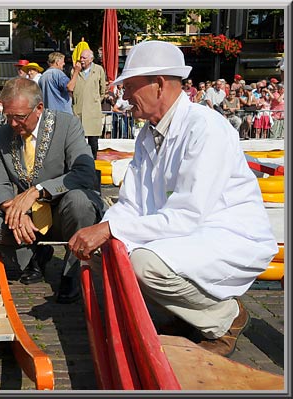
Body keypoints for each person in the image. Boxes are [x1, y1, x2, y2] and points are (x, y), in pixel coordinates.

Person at [68, 41, 277, 358]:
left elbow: (187, 215)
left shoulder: (205, 128)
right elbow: (131, 204)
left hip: (226, 234)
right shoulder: (147, 133)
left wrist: (110, 230)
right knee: (106, 252)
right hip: (185, 231)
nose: (123, 97)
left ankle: (225, 318)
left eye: (130, 87)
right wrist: (105, 229)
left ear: (159, 85)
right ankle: (182, 317)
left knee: (143, 263)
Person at [0, 78, 104, 304]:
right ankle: (30, 257)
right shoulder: (3, 134)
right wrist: (14, 211)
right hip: (29, 217)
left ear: (39, 108)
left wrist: (38, 191)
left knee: (80, 201)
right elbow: (0, 185)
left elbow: (84, 173)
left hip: (66, 211)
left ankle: (73, 273)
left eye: (20, 117)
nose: (13, 123)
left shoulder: (67, 125)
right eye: (8, 116)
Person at [68, 49, 106, 160]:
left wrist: (95, 100)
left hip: (93, 111)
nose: (81, 60)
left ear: (91, 59)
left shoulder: (99, 70)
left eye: (84, 58)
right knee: (78, 141)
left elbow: (102, 90)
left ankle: (93, 162)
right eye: (81, 57)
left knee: (93, 141)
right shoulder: (74, 71)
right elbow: (71, 88)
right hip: (78, 110)